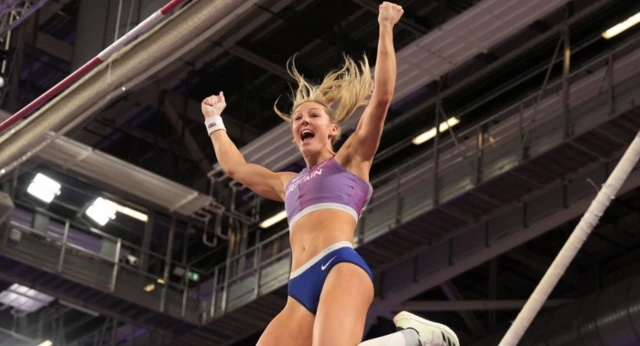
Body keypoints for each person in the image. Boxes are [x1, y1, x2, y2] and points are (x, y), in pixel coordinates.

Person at [201, 2, 459, 346]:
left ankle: (416, 339)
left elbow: (381, 97)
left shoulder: (351, 160)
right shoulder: (286, 183)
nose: (304, 120)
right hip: (299, 290)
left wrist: (385, 27)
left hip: (340, 267)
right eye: (298, 119)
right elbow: (235, 167)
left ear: (333, 129)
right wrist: (213, 120)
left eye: (313, 116)